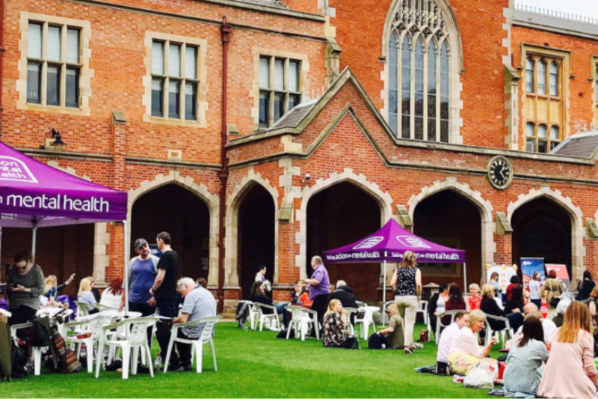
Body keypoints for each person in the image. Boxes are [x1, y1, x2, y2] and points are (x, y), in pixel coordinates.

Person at [538, 302, 598, 398]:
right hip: (575, 386)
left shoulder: (557, 332)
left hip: (551, 385)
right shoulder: (585, 336)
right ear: (586, 317)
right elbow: (590, 367)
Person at [169, 277, 217, 371]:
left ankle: (178, 362)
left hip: (195, 331)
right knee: (181, 329)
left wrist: (170, 321)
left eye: (181, 292)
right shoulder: (206, 292)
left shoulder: (191, 295)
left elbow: (183, 319)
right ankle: (184, 361)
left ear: (186, 286)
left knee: (167, 331)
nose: (182, 296)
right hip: (208, 331)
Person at [150, 232, 180, 370]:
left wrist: (153, 290)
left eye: (157, 240)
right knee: (166, 327)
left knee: (163, 329)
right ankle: (169, 358)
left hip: (165, 297)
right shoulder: (174, 255)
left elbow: (160, 278)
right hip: (171, 295)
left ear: (161, 241)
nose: (157, 243)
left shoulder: (165, 256)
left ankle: (172, 360)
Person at [503, 316, 549, 396]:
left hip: (508, 384)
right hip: (528, 387)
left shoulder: (517, 343)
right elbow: (550, 365)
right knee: (542, 369)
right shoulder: (539, 345)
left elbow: (507, 362)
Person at [448, 309, 498, 375]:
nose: (482, 324)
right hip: (456, 358)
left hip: (458, 356)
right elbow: (480, 355)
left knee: (493, 363)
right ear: (472, 321)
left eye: (483, 322)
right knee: (486, 365)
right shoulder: (468, 333)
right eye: (480, 321)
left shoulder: (471, 332)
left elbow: (477, 351)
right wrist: (490, 345)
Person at [390, 251, 422, 353]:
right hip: (411, 297)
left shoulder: (398, 270)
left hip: (399, 298)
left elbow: (392, 283)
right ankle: (407, 346)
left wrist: (396, 291)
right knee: (409, 322)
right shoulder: (416, 270)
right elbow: (418, 284)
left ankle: (410, 343)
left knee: (404, 321)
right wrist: (419, 295)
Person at [121, 238, 159, 317]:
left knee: (148, 327)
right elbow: (126, 282)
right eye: (141, 248)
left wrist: (156, 298)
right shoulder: (132, 261)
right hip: (133, 300)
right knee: (132, 326)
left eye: (145, 246)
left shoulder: (156, 261)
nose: (144, 249)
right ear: (137, 250)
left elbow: (160, 281)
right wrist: (123, 300)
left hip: (149, 301)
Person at [6, 250, 45, 326]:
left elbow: (41, 289)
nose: (20, 270)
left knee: (17, 322)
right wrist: (11, 288)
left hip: (30, 303)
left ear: (29, 262)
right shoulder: (13, 269)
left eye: (23, 267)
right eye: (18, 268)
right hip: (15, 303)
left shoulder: (36, 270)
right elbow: (8, 284)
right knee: (9, 323)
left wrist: (24, 289)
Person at [305, 256, 330, 324]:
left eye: (311, 262)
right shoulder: (321, 269)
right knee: (317, 314)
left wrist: (308, 280)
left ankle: (318, 330)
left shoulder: (320, 270)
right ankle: (317, 330)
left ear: (315, 262)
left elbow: (317, 281)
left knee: (314, 314)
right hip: (321, 295)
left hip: (320, 296)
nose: (311, 263)